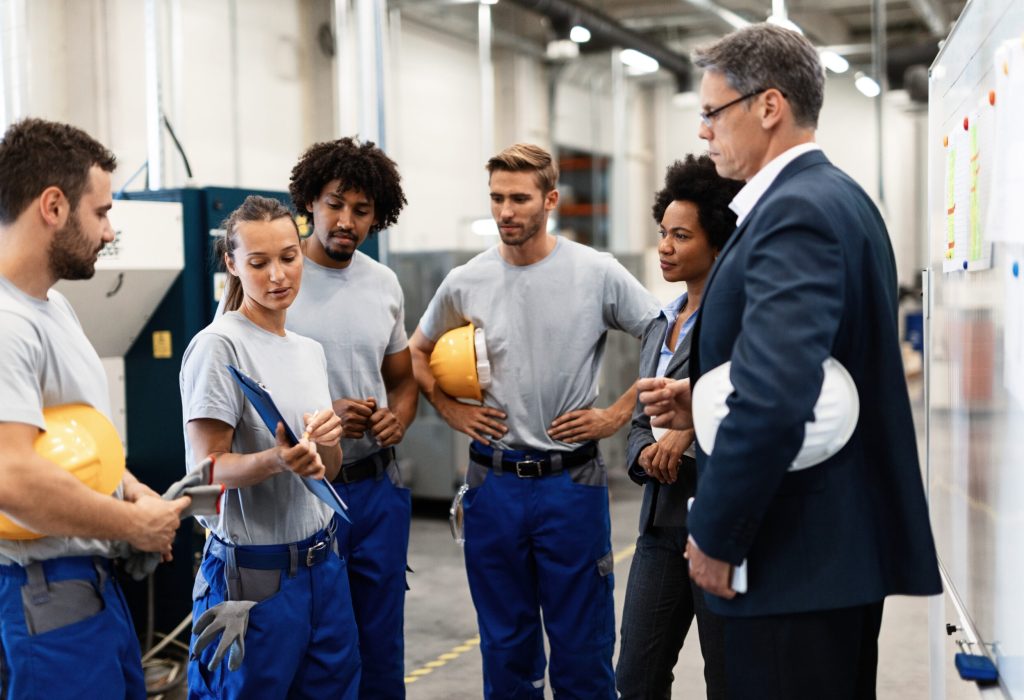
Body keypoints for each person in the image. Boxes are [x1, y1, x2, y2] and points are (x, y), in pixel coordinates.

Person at [638, 24, 942, 698]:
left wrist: (717, 533)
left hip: (791, 561)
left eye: (713, 112)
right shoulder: (836, 198)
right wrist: (706, 397)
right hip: (822, 562)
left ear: (768, 106)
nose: (704, 131)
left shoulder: (795, 212)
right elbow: (812, 367)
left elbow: (778, 393)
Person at [408, 143, 659, 699]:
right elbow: (416, 352)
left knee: (583, 647)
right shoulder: (465, 281)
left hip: (571, 483)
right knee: (505, 648)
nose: (505, 212)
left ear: (549, 200)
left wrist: (619, 414)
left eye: (519, 199)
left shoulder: (595, 273)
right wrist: (450, 410)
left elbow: (662, 332)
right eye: (496, 198)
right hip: (491, 485)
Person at [0, 118, 189, 699]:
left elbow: (79, 440)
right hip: (41, 593)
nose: (108, 233)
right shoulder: (7, 324)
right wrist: (132, 523)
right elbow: (12, 475)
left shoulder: (52, 309)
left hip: (89, 587)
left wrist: (132, 490)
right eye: (101, 212)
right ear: (53, 206)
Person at [180, 195, 359, 698]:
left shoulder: (308, 351)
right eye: (259, 263)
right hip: (254, 579)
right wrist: (277, 459)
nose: (278, 275)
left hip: (323, 568)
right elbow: (206, 469)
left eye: (288, 257)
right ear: (233, 264)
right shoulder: (220, 346)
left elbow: (328, 469)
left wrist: (326, 444)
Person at [286, 137, 415, 699]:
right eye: (336, 203)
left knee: (380, 642)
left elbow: (403, 381)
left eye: (362, 211)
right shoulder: (274, 278)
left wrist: (398, 419)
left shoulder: (382, 284)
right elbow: (243, 389)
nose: (346, 221)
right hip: (303, 496)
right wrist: (322, 416)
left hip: (376, 493)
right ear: (311, 200)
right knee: (315, 646)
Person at [616, 154, 742, 700]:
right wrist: (645, 451)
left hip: (719, 520)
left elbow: (749, 403)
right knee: (636, 677)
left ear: (717, 243)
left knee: (730, 677)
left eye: (681, 235)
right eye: (663, 233)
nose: (665, 246)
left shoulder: (738, 322)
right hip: (661, 524)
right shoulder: (658, 325)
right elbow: (637, 417)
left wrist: (687, 433)